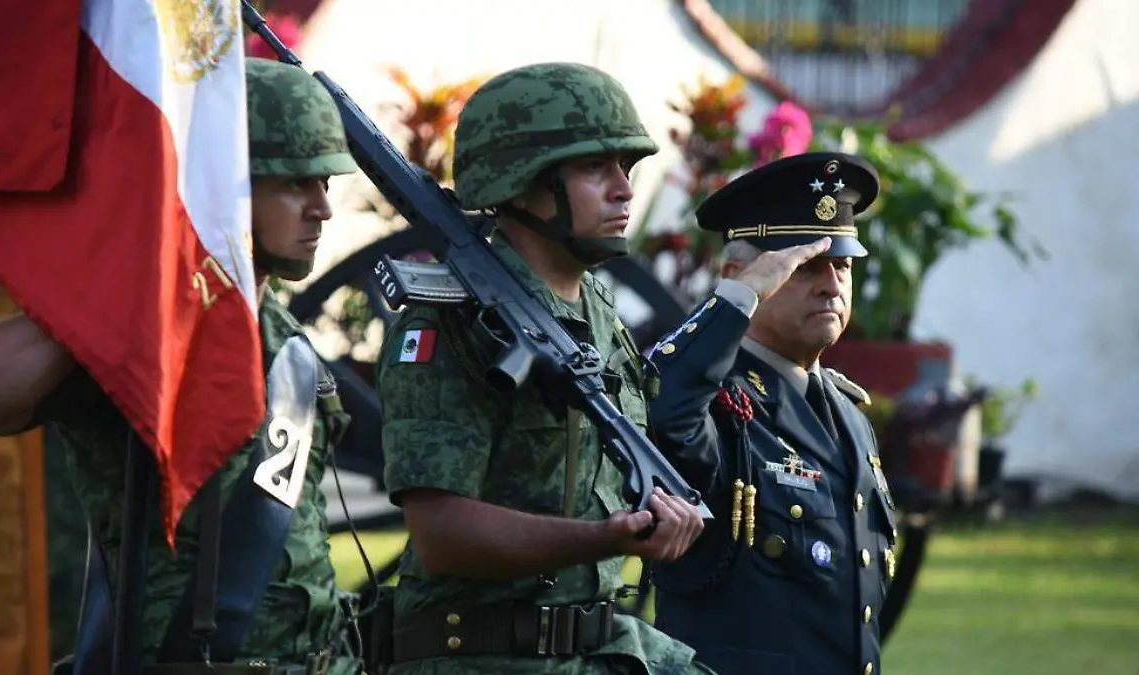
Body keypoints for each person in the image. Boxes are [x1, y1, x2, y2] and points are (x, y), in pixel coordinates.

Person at [0, 58, 367, 675]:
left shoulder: (280, 329)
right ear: (225, 183)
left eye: (324, 181)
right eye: (296, 183)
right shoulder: (137, 318)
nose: (322, 208)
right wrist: (126, 289)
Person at [374, 62, 715, 675]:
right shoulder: (449, 322)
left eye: (626, 169)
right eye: (594, 168)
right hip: (480, 660)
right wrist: (605, 537)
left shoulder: (599, 310)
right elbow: (440, 532)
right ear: (522, 182)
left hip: (595, 650)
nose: (624, 190)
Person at [646, 152, 898, 675]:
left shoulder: (850, 417)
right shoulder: (710, 399)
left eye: (843, 265)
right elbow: (662, 408)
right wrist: (735, 301)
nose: (831, 284)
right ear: (740, 275)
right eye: (804, 266)